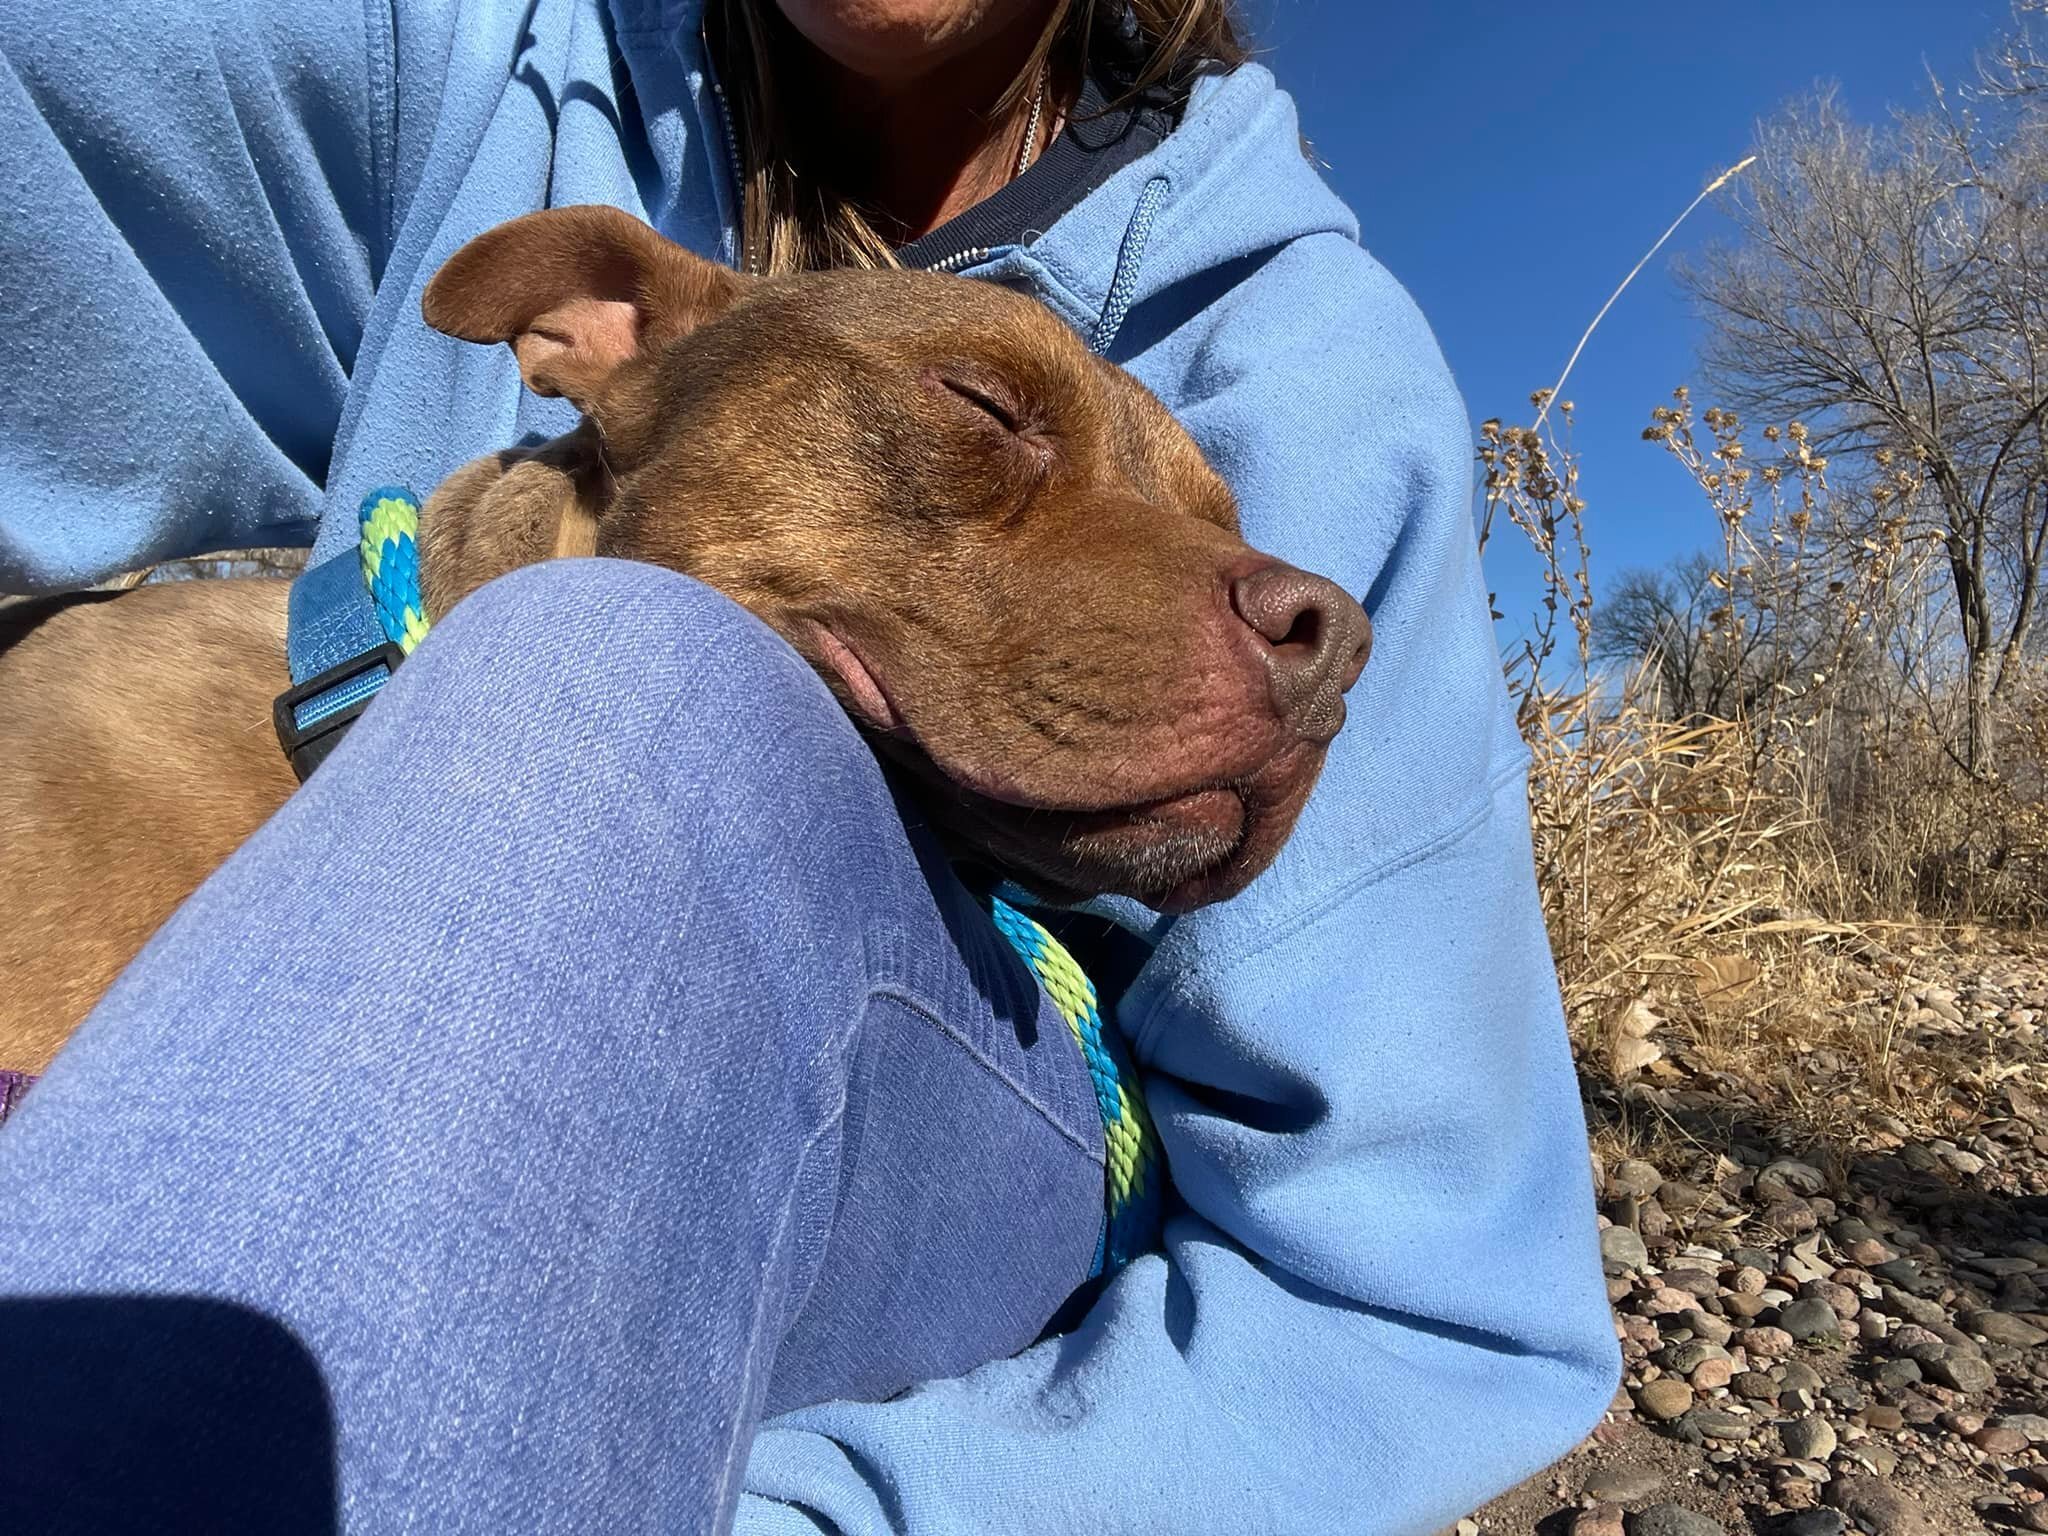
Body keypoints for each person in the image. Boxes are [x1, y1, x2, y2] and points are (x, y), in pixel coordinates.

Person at [0, 1, 1621, 1531]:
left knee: (616, 668)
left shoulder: (1313, 353)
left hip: (950, 1110)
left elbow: (1420, 1306)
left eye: (1220, 529)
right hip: (324, 739)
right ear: (607, 340)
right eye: (984, 412)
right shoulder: (493, 59)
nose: (1287, 608)